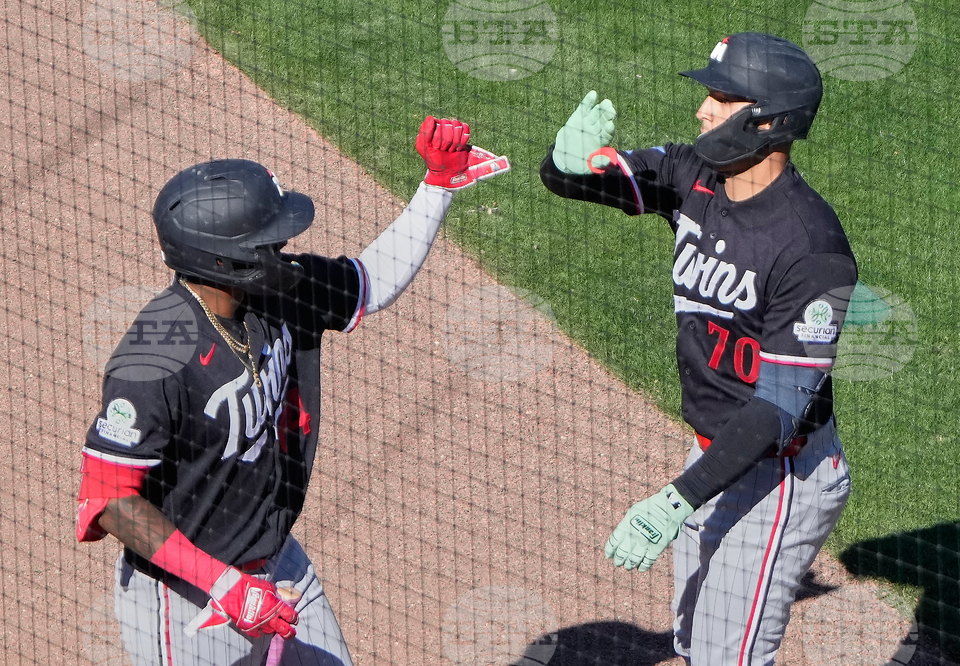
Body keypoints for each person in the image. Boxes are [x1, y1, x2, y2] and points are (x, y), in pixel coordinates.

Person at [76, 117, 509, 666]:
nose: (283, 247)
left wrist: (438, 185)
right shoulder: (152, 361)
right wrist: (225, 586)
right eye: (269, 241)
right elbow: (111, 498)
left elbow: (370, 279)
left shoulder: (278, 290)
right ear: (223, 259)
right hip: (187, 598)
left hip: (275, 561)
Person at [539, 33, 856, 665]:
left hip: (780, 472)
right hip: (714, 450)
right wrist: (563, 159)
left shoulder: (811, 248)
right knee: (694, 640)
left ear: (768, 121)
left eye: (721, 98)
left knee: (725, 656)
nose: (703, 111)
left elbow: (780, 406)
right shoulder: (694, 176)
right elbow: (572, 182)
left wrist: (678, 497)